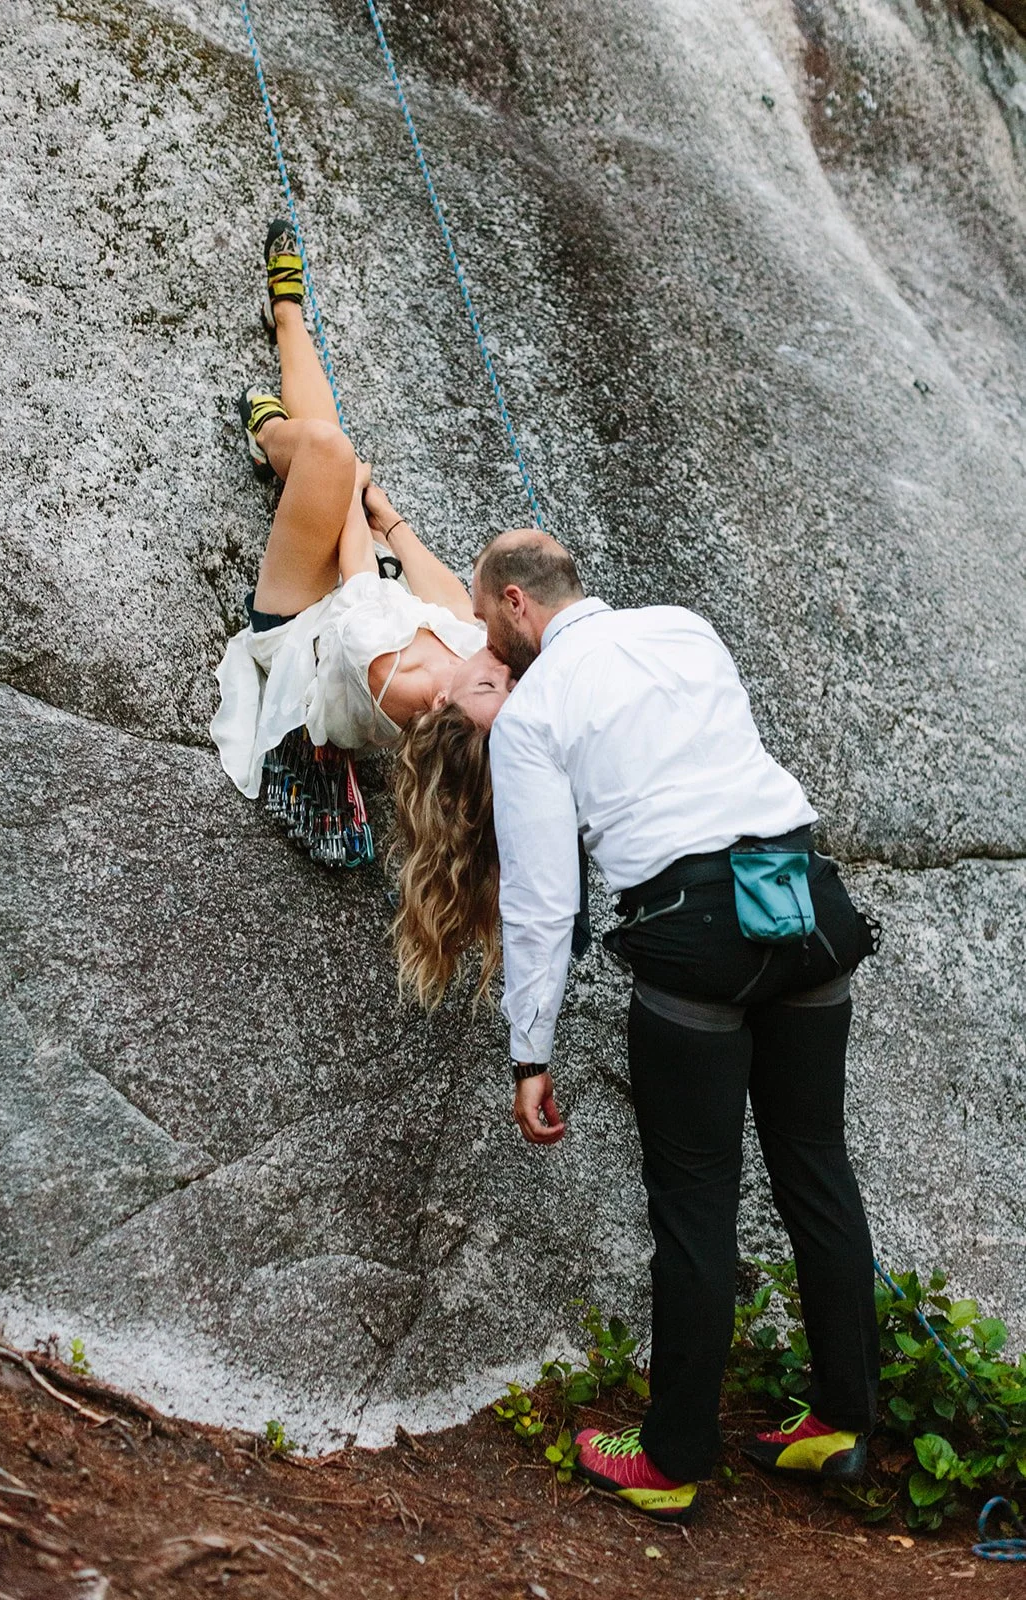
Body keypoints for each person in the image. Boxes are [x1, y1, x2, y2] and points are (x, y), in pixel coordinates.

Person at [471, 528, 881, 1525]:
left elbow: (536, 897)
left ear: (517, 603)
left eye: (486, 618)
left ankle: (671, 1456)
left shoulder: (531, 715)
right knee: (813, 1165)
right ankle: (841, 1423)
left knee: (694, 1204)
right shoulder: (685, 629)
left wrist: (531, 1049)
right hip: (801, 901)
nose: (486, 639)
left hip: (695, 933)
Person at [210, 220, 513, 804]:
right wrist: (388, 516)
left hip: (299, 623)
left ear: (441, 704)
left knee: (328, 451)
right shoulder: (473, 683)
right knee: (334, 454)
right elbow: (457, 606)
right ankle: (288, 318)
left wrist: (353, 490)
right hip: (360, 585)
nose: (503, 673)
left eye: (492, 686)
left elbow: (357, 582)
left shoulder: (395, 680)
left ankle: (270, 431)